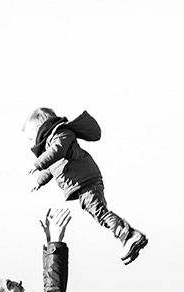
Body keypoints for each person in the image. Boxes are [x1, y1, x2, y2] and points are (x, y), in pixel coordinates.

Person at [23, 107, 149, 265]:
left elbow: (57, 151)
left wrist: (38, 164)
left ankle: (129, 236)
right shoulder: (51, 145)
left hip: (86, 180)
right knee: (97, 212)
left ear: (39, 128)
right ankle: (130, 240)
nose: (30, 144)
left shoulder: (61, 134)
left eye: (29, 139)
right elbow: (52, 167)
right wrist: (39, 181)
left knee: (100, 212)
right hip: (82, 183)